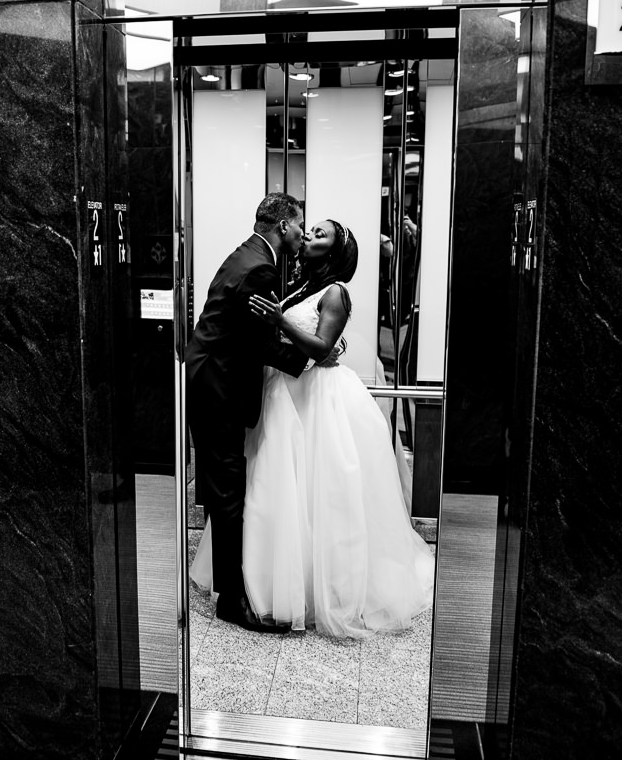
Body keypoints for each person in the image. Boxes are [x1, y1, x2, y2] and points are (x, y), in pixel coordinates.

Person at [193, 219, 436, 638]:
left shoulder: (336, 292)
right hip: (283, 393)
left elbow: (322, 347)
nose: (308, 237)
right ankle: (268, 582)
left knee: (318, 493)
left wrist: (283, 324)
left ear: (335, 253)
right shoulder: (297, 288)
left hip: (315, 398)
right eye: (309, 231)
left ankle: (321, 588)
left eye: (319, 234)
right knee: (277, 490)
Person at [185, 192, 311, 634]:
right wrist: (310, 359)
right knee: (228, 492)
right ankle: (232, 601)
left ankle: (230, 590)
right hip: (217, 387)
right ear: (282, 225)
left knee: (225, 489)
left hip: (212, 380)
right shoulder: (261, 267)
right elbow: (258, 342)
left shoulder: (251, 253)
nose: (302, 232)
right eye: (299, 224)